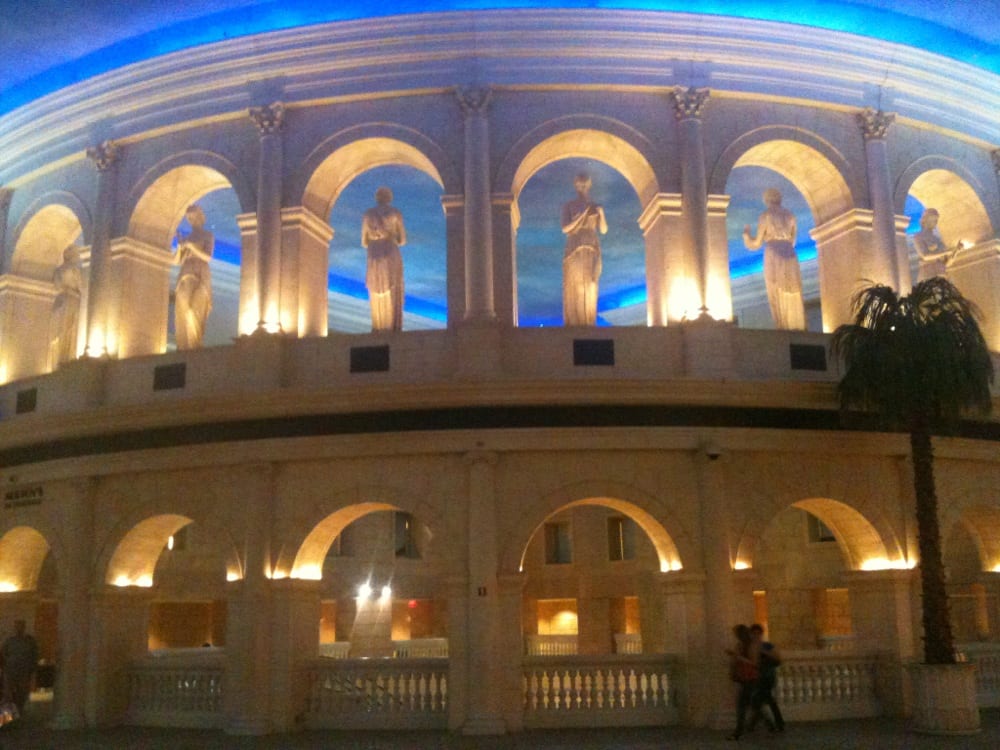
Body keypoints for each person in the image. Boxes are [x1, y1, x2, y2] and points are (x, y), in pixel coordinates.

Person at [742, 188, 806, 330]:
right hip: (790, 253)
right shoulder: (790, 215)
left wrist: (746, 235)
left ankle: (783, 325)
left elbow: (756, 243)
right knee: (793, 289)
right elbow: (793, 240)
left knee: (775, 289)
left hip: (773, 252)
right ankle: (797, 324)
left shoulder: (766, 215)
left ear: (767, 200)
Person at [561, 172, 607, 326]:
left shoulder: (595, 206)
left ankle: (589, 321)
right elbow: (565, 228)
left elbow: (603, 229)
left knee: (591, 283)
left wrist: (601, 213)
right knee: (575, 285)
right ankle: (575, 322)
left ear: (589, 185)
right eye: (580, 185)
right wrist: (581, 216)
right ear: (576, 186)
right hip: (575, 247)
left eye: (585, 184)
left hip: (592, 246)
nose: (582, 187)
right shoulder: (569, 205)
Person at [361, 186, 407, 331]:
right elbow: (403, 240)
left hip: (374, 253)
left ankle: (378, 326)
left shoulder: (368, 214)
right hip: (390, 251)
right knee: (392, 288)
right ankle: (392, 326)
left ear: (377, 198)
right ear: (389, 198)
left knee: (375, 290)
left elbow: (364, 242)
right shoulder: (395, 213)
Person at [174, 204, 214, 349]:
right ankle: (184, 346)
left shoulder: (207, 235)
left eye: (193, 217)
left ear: (200, 216)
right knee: (184, 311)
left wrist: (191, 246)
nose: (191, 220)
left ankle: (195, 346)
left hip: (201, 273)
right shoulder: (187, 238)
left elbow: (208, 257)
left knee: (195, 310)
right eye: (189, 218)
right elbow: (176, 261)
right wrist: (180, 247)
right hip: (186, 274)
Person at [747, 623, 785, 733]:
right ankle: (774, 723)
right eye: (754, 634)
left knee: (760, 700)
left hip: (767, 676)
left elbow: (778, 659)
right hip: (758, 676)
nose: (756, 636)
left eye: (758, 634)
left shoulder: (767, 646)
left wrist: (764, 652)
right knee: (764, 700)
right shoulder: (751, 647)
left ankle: (765, 724)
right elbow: (753, 662)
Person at [50, 243, 83, 367]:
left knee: (59, 332)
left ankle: (57, 360)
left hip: (59, 302)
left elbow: (57, 286)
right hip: (71, 301)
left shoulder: (58, 271)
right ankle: (65, 358)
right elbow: (81, 287)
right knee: (69, 329)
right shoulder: (74, 269)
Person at [1, 619, 39, 716]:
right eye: (17, 626)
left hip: (24, 670)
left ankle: (20, 710)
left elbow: (34, 655)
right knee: (9, 693)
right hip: (10, 670)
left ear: (24, 627)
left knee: (22, 692)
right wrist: (6, 666)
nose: (18, 628)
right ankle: (9, 713)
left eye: (20, 626)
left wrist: (33, 669)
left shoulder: (29, 641)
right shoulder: (10, 641)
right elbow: (4, 654)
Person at [911, 208, 956, 282]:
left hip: (942, 274)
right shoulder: (918, 236)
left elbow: (947, 263)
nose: (936, 222)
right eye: (934, 220)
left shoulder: (937, 239)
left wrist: (955, 252)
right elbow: (925, 256)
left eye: (936, 220)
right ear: (927, 220)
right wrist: (946, 252)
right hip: (928, 274)